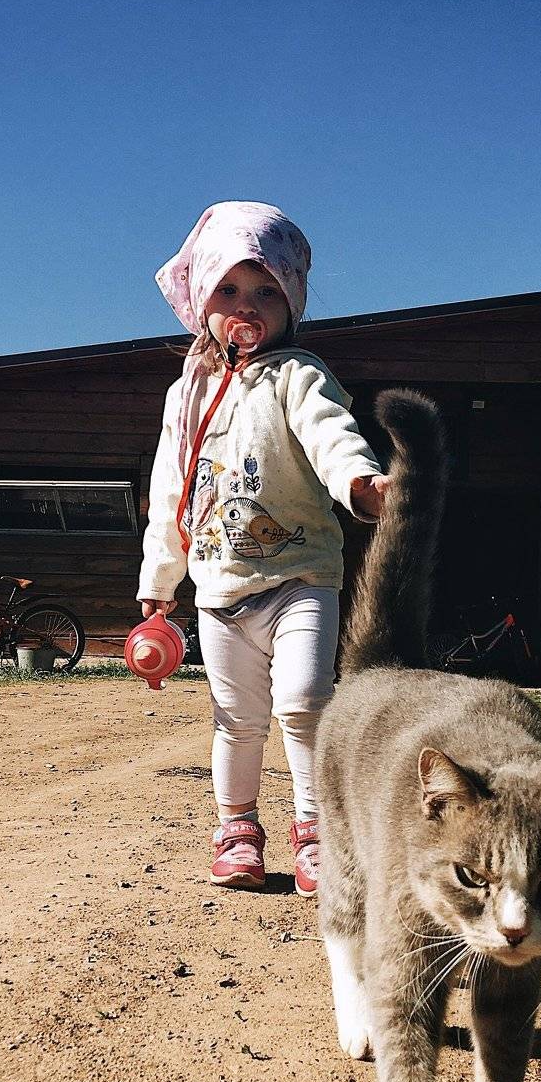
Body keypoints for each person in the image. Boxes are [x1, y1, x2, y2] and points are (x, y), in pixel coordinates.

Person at [137, 202, 387, 895]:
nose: (246, 305)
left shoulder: (297, 376)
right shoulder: (185, 395)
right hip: (219, 588)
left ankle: (318, 834)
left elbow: (331, 434)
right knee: (236, 719)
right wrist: (160, 581)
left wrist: (360, 483)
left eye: (266, 291)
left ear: (292, 302)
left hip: (300, 577)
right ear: (201, 300)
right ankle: (238, 830)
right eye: (228, 289)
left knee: (305, 700)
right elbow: (170, 490)